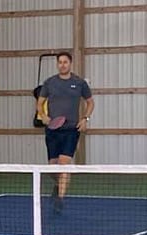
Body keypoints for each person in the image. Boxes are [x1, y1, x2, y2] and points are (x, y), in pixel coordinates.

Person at [35, 51, 94, 213]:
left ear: (70, 64)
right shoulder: (49, 83)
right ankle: (57, 184)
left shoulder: (79, 83)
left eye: (65, 62)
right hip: (53, 130)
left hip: (71, 130)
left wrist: (85, 119)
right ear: (57, 64)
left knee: (64, 163)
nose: (62, 65)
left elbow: (90, 103)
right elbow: (39, 104)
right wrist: (44, 116)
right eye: (60, 62)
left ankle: (59, 200)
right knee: (52, 167)